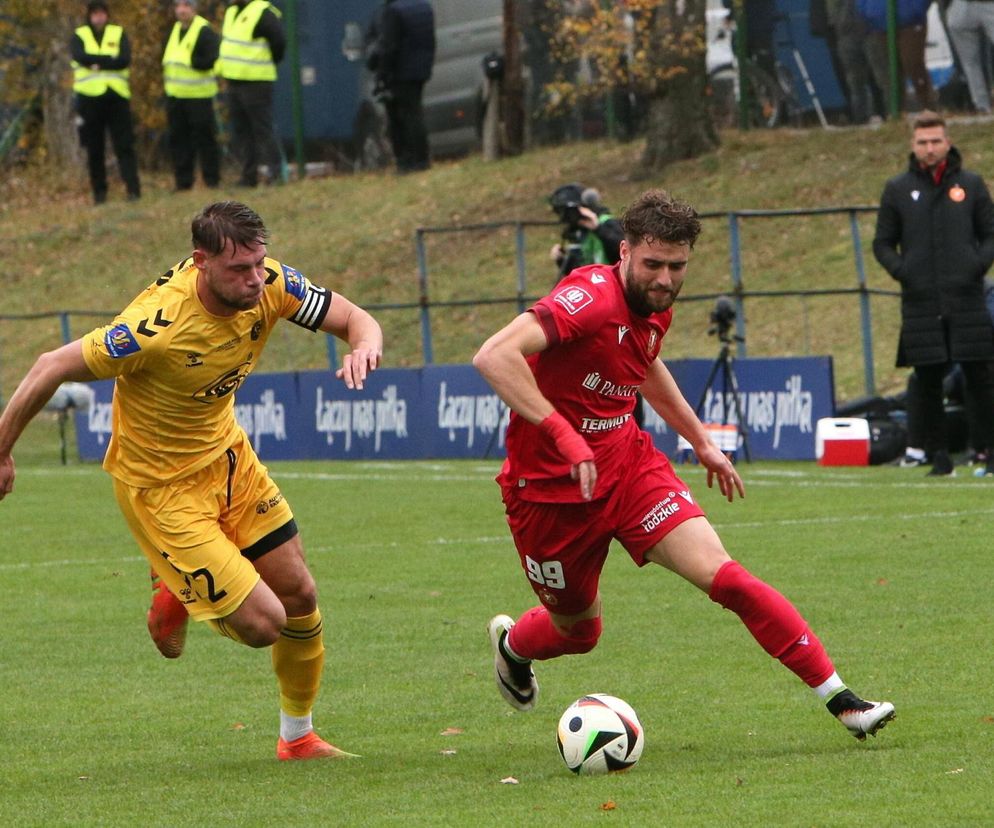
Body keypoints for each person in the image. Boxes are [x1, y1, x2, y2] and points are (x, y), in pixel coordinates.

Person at [473, 189, 896, 742]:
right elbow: (493, 355)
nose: (665, 279)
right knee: (578, 633)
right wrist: (562, 434)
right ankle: (513, 647)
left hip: (627, 468)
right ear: (623, 252)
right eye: (653, 264)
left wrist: (700, 440)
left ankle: (842, 700)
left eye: (677, 267)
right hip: (549, 492)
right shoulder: (589, 298)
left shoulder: (653, 303)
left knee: (727, 578)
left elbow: (642, 364)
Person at [0, 201, 383, 760]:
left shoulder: (272, 282)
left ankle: (297, 738)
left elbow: (355, 319)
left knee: (300, 594)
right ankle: (174, 588)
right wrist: (3, 449)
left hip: (228, 461)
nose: (254, 280)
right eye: (238, 270)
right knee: (264, 625)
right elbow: (48, 366)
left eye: (259, 263)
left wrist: (365, 345)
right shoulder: (154, 327)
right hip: (161, 492)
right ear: (201, 262)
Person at [873, 110, 994, 476]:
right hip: (921, 301)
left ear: (948, 142)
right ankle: (937, 455)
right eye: (923, 142)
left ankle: (985, 451)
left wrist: (974, 268)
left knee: (979, 376)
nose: (930, 148)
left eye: (936, 141)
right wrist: (905, 273)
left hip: (967, 298)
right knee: (927, 379)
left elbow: (990, 235)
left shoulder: (971, 185)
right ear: (913, 145)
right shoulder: (897, 189)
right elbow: (882, 244)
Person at [70, 0, 141, 204]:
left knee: (124, 145)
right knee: (94, 148)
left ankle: (133, 189)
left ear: (107, 15)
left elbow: (124, 59)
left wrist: (96, 62)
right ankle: (99, 193)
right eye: (95, 13)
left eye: (102, 13)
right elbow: (79, 56)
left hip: (116, 97)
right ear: (89, 15)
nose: (99, 17)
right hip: (89, 99)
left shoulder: (118, 33)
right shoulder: (80, 35)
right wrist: (109, 59)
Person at [218, 0, 285, 187]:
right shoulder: (231, 12)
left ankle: (275, 174)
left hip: (256, 82)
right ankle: (249, 177)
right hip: (234, 82)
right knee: (243, 132)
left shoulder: (263, 13)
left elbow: (279, 42)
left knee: (262, 129)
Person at [366, 0, 436, 173]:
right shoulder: (423, 6)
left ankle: (407, 161)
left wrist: (381, 74)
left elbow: (389, 46)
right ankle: (422, 158)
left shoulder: (393, 12)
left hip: (400, 71)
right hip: (420, 70)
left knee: (400, 118)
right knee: (415, 113)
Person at [162, 0, 221, 191]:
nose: (181, 10)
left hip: (199, 95)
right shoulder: (173, 31)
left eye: (186, 5)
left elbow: (212, 59)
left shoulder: (204, 31)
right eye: (178, 6)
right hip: (175, 96)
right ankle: (183, 182)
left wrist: (194, 62)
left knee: (205, 138)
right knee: (179, 139)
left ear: (194, 9)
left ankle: (212, 180)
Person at [857, 0, 938, 113]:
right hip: (880, 23)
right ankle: (897, 113)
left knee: (913, 65)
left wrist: (916, 9)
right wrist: (868, 12)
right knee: (891, 73)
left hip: (910, 21)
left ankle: (929, 108)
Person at [549, 183, 624, 282]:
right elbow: (580, 273)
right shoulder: (583, 233)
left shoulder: (607, 223)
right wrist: (561, 260)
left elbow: (622, 250)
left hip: (613, 287)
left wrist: (598, 229)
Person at [946, 0, 994, 114]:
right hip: (963, 4)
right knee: (970, 62)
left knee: (970, 63)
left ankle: (981, 104)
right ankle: (981, 105)